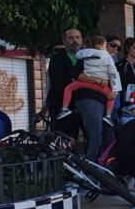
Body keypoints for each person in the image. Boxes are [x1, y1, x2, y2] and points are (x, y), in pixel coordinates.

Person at [46, 28, 110, 162]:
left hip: (87, 104)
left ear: (81, 40)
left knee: (93, 137)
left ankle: (91, 169)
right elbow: (58, 83)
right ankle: (66, 173)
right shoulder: (57, 58)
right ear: (64, 41)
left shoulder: (88, 57)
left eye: (77, 37)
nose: (74, 40)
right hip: (64, 107)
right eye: (70, 38)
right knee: (65, 141)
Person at [56, 35, 121, 125]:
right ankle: (108, 116)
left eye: (118, 47)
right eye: (110, 45)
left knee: (68, 88)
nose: (116, 49)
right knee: (111, 97)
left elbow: (78, 55)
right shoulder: (107, 56)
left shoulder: (85, 53)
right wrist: (115, 89)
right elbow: (113, 73)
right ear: (101, 45)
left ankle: (64, 108)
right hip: (100, 86)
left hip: (82, 83)